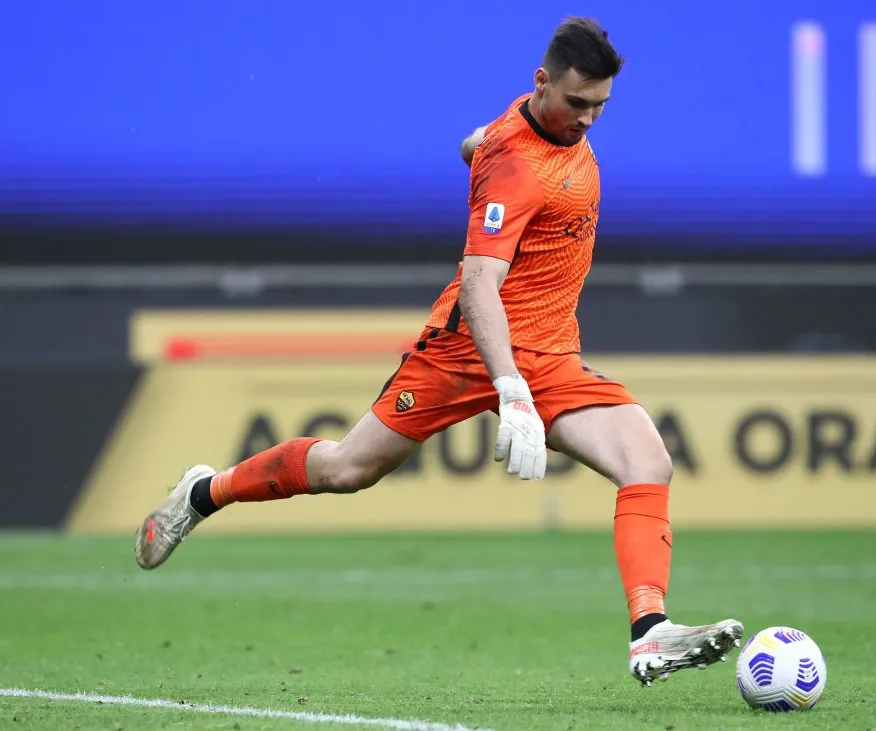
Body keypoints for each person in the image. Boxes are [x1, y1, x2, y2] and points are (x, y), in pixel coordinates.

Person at [134, 16, 742, 686]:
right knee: (347, 469)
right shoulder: (518, 165)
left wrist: (475, 152)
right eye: (577, 103)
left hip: (551, 354)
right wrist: (509, 386)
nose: (589, 119)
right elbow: (480, 283)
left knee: (647, 459)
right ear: (543, 84)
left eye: (600, 106)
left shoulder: (525, 123)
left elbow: (475, 141)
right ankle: (205, 491)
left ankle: (650, 633)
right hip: (463, 352)